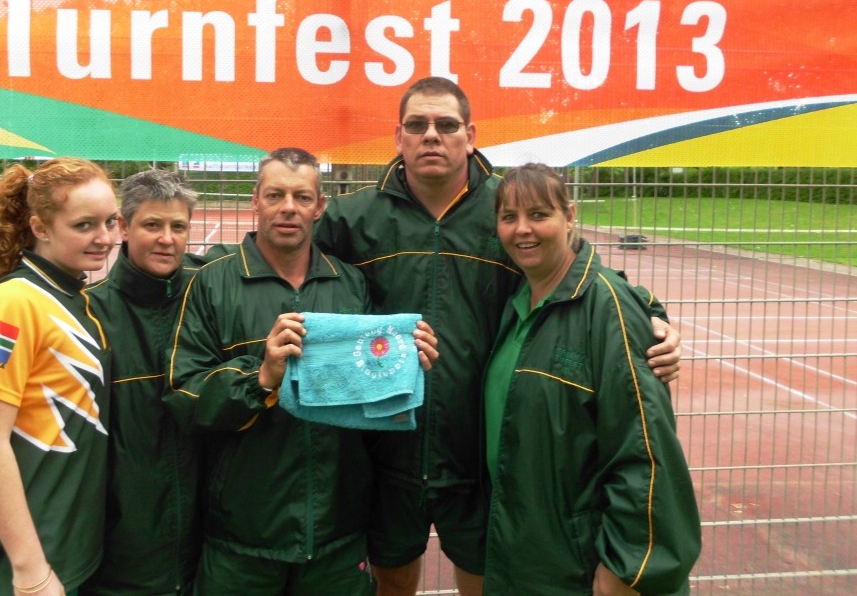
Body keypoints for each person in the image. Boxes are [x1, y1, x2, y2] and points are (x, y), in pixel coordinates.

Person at [313, 76, 682, 596]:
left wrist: (649, 313)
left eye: (446, 125)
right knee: (391, 577)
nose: (431, 135)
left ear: (470, 135)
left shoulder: (506, 207)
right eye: (417, 125)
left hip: (483, 449)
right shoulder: (352, 218)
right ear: (399, 137)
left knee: (487, 577)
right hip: (386, 447)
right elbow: (286, 263)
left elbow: (577, 268)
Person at [166, 147, 438, 596]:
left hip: (337, 535)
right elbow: (185, 396)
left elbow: (370, 392)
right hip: (241, 538)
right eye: (275, 195)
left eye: (302, 196)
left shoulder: (350, 283)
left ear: (319, 207)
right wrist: (262, 378)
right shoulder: (211, 282)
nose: (288, 207)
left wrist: (406, 366)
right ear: (255, 201)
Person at [483, 164, 701, 595]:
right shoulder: (518, 302)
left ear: (569, 216)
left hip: (583, 563)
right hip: (528, 548)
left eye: (539, 214)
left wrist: (628, 566)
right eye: (509, 217)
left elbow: (645, 449)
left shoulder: (608, 309)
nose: (522, 229)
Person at [0, 158, 119, 596]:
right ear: (40, 227)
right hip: (15, 569)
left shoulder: (78, 298)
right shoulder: (12, 303)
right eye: (84, 225)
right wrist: (30, 570)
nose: (105, 237)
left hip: (64, 551)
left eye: (110, 221)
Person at [81, 170, 205, 596]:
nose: (167, 239)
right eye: (152, 225)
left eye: (178, 227)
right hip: (120, 558)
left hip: (208, 553)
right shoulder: (88, 316)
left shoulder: (211, 301)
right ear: (123, 226)